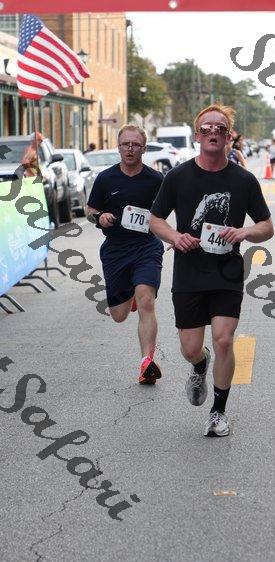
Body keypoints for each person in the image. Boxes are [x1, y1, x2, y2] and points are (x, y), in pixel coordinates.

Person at [150, 104, 274, 437]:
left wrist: (244, 232)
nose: (213, 132)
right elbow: (155, 220)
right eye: (206, 128)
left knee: (223, 340)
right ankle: (199, 364)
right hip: (189, 272)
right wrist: (175, 237)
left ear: (229, 136)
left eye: (220, 128)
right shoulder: (178, 176)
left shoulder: (243, 180)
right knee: (190, 348)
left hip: (226, 273)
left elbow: (266, 226)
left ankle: (218, 412)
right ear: (197, 135)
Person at [86, 124, 164, 385]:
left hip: (146, 247)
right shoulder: (106, 179)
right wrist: (100, 217)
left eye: (135, 145)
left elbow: (170, 210)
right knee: (119, 315)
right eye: (125, 144)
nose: (130, 149)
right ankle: (130, 293)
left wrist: (177, 235)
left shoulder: (156, 180)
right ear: (118, 147)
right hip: (116, 251)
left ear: (144, 148)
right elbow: (90, 210)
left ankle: (146, 363)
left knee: (147, 301)